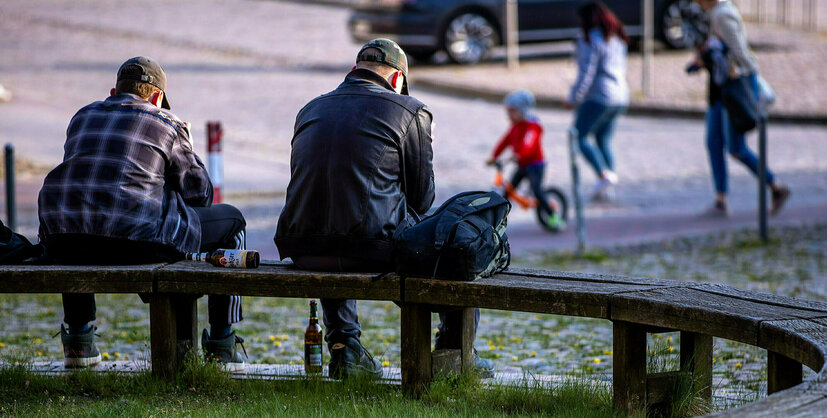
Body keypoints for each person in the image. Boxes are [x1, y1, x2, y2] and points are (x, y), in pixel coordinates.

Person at [275, 39, 494, 379]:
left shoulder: (310, 109)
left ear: (355, 71)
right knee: (461, 237)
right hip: (371, 249)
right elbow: (422, 200)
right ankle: (454, 349)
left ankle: (345, 348)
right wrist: (424, 136)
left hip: (303, 246)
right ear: (396, 81)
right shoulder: (409, 110)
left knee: (339, 224)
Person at [38, 56, 248, 371]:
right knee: (233, 223)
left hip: (61, 241)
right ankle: (222, 344)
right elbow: (199, 195)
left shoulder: (82, 116)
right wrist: (185, 142)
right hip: (135, 242)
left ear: (113, 91)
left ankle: (79, 340)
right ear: (156, 97)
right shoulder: (167, 122)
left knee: (80, 216)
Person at [692, 0, 790, 216]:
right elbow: (722, 49)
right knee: (713, 142)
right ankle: (720, 200)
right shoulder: (715, 13)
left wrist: (749, 82)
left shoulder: (721, 14)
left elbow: (740, 53)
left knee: (736, 148)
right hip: (719, 89)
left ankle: (776, 187)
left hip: (733, 89)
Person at [566, 1, 629, 201]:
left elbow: (587, 72)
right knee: (603, 140)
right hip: (620, 96)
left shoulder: (590, 39)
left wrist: (574, 97)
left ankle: (604, 175)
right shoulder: (617, 38)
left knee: (579, 137)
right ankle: (607, 185)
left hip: (600, 96)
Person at [487, 89, 564, 229]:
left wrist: (519, 154)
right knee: (509, 190)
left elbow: (528, 144)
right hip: (522, 165)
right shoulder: (515, 127)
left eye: (512, 111)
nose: (509, 115)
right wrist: (494, 156)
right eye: (508, 111)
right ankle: (499, 221)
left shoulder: (532, 127)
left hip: (535, 165)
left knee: (537, 190)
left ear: (522, 111)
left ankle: (554, 216)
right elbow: (505, 141)